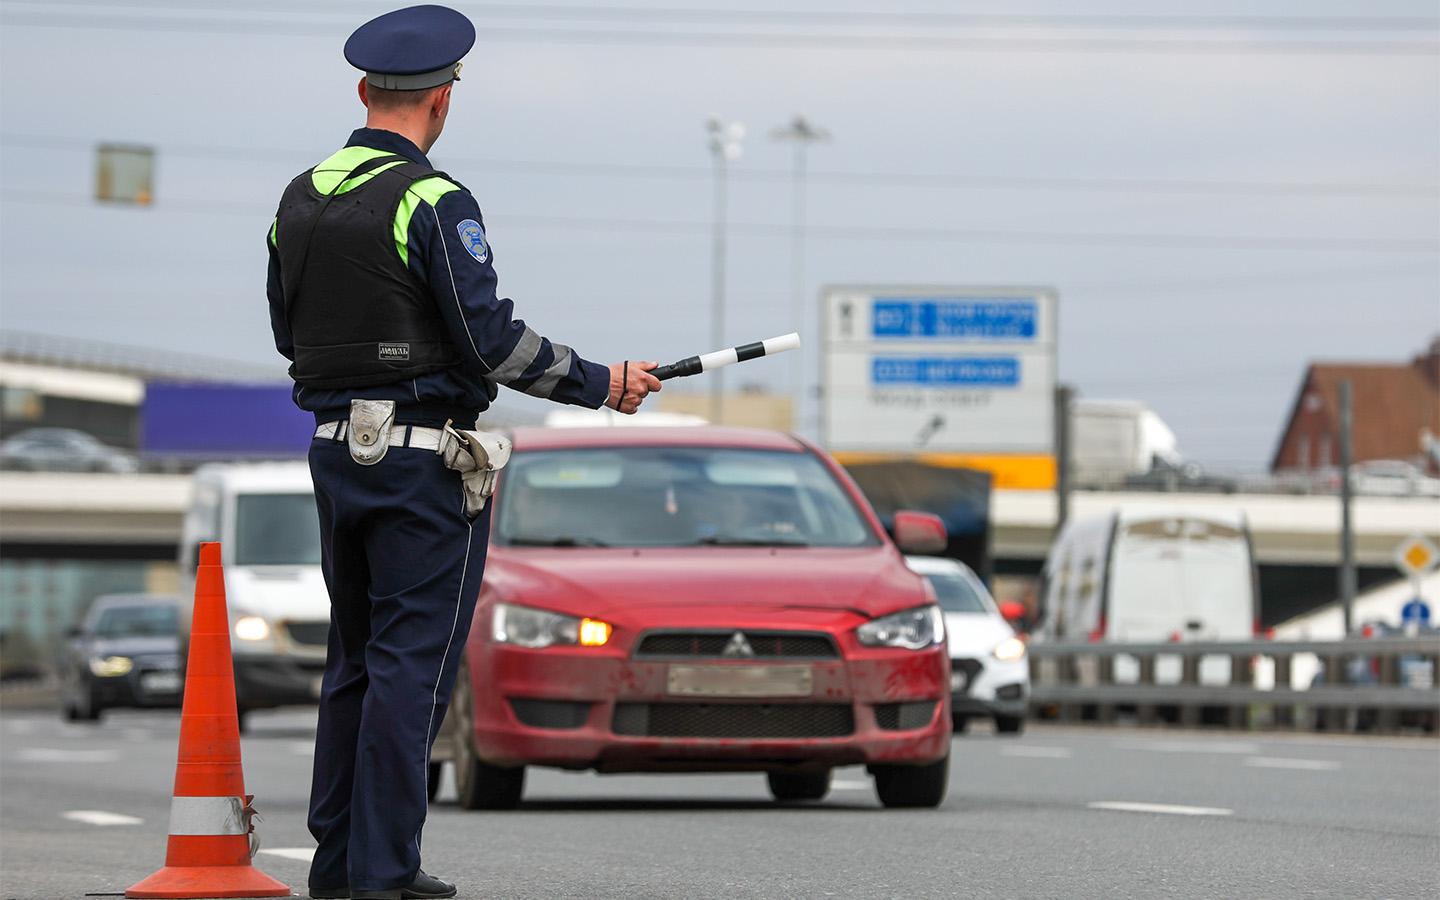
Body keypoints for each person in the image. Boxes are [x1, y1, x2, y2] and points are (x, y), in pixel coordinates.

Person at [264, 6, 661, 898]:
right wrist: (602, 381)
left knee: (355, 661)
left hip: (334, 453)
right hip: (419, 467)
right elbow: (491, 342)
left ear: (364, 91)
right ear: (443, 102)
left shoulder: (297, 198)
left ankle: (338, 865)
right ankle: (385, 871)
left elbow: (289, 334)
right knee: (415, 665)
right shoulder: (433, 201)